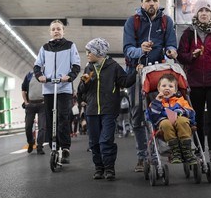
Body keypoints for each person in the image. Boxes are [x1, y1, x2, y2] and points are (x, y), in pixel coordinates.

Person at [123, 0, 177, 172]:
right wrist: (140, 50)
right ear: (142, 4)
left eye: (155, 0)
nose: (151, 3)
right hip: (137, 72)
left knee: (161, 111)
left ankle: (162, 150)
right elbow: (127, 49)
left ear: (159, 3)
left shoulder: (166, 21)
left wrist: (171, 50)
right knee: (138, 114)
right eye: (148, 1)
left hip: (158, 73)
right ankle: (142, 156)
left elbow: (171, 43)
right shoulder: (133, 22)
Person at [177, 0, 211, 172]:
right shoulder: (187, 33)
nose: (204, 13)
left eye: (207, 10)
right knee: (197, 120)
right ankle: (199, 153)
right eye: (201, 10)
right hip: (194, 84)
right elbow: (180, 56)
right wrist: (192, 55)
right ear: (196, 13)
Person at [78, 38, 137, 181]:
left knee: (106, 140)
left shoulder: (113, 66)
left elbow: (125, 81)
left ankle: (109, 168)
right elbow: (81, 92)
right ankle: (99, 168)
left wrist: (136, 71)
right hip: (92, 111)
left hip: (109, 110)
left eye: (89, 51)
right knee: (94, 142)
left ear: (99, 52)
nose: (87, 54)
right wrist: (84, 83)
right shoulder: (88, 68)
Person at [33, 19, 80, 164]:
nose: (56, 31)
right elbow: (37, 66)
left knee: (62, 117)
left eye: (58, 29)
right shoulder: (44, 47)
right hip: (48, 88)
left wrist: (69, 77)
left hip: (64, 88)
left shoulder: (70, 46)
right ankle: (55, 145)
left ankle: (65, 148)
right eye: (53, 29)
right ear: (50, 32)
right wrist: (40, 76)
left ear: (63, 31)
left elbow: (76, 65)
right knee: (50, 117)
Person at [145, 73, 197, 165]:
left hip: (181, 124)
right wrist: (157, 102)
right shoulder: (155, 102)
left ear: (175, 90)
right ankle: (175, 151)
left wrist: (181, 111)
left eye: (171, 86)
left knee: (182, 120)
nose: (167, 88)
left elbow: (191, 112)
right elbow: (152, 116)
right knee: (165, 123)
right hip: (164, 128)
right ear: (158, 88)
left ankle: (187, 151)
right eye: (164, 86)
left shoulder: (181, 101)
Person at [21, 70, 47, 154]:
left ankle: (40, 146)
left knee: (42, 127)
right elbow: (23, 89)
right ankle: (31, 142)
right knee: (28, 127)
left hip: (42, 104)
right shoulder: (29, 75)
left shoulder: (46, 74)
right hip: (30, 105)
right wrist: (26, 102)